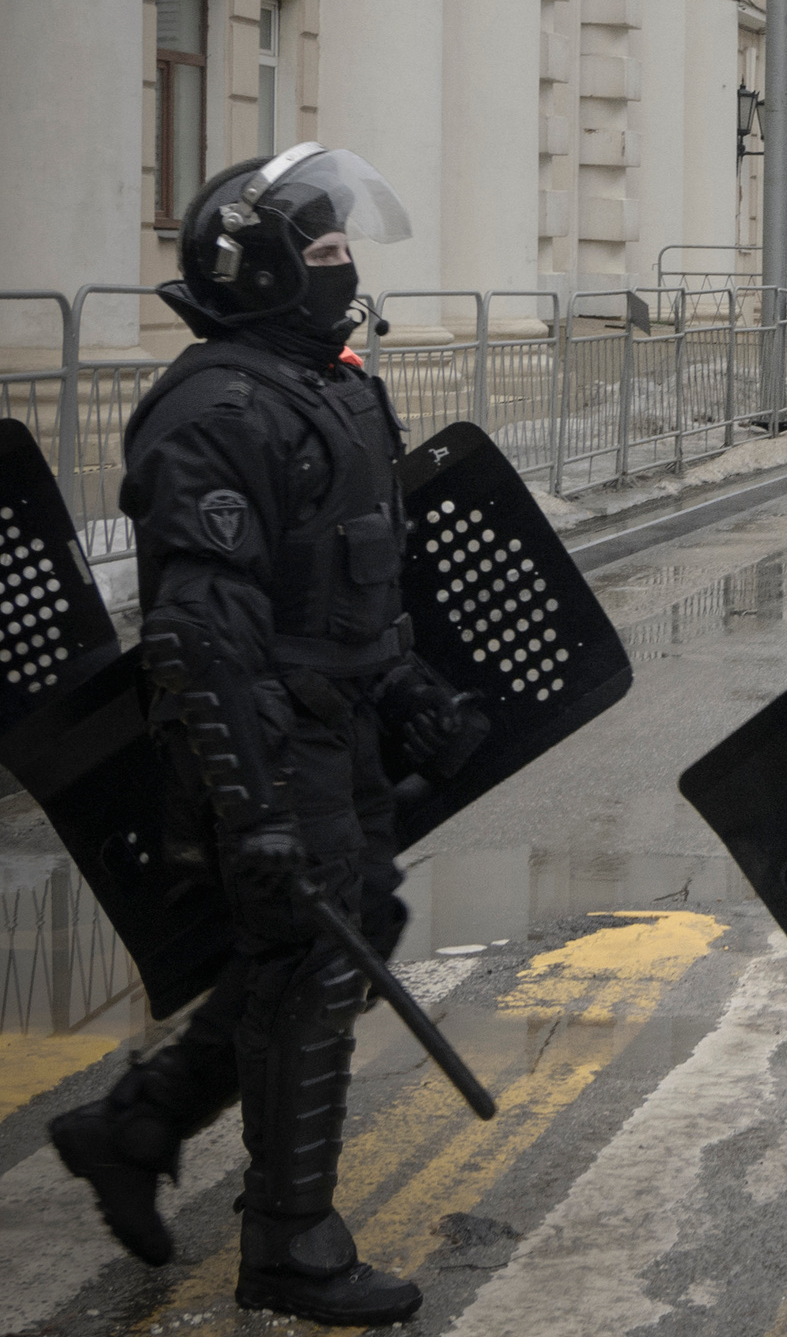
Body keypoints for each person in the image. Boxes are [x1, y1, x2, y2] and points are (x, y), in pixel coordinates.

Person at [49, 146, 484, 1327]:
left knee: (337, 934)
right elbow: (203, 636)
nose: (348, 273)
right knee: (310, 963)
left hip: (332, 729)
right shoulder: (217, 408)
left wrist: (401, 690)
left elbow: (341, 584)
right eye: (329, 252)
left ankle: (131, 1126)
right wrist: (257, 806)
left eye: (348, 251)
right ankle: (289, 1242)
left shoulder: (334, 386)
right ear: (267, 272)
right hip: (264, 737)